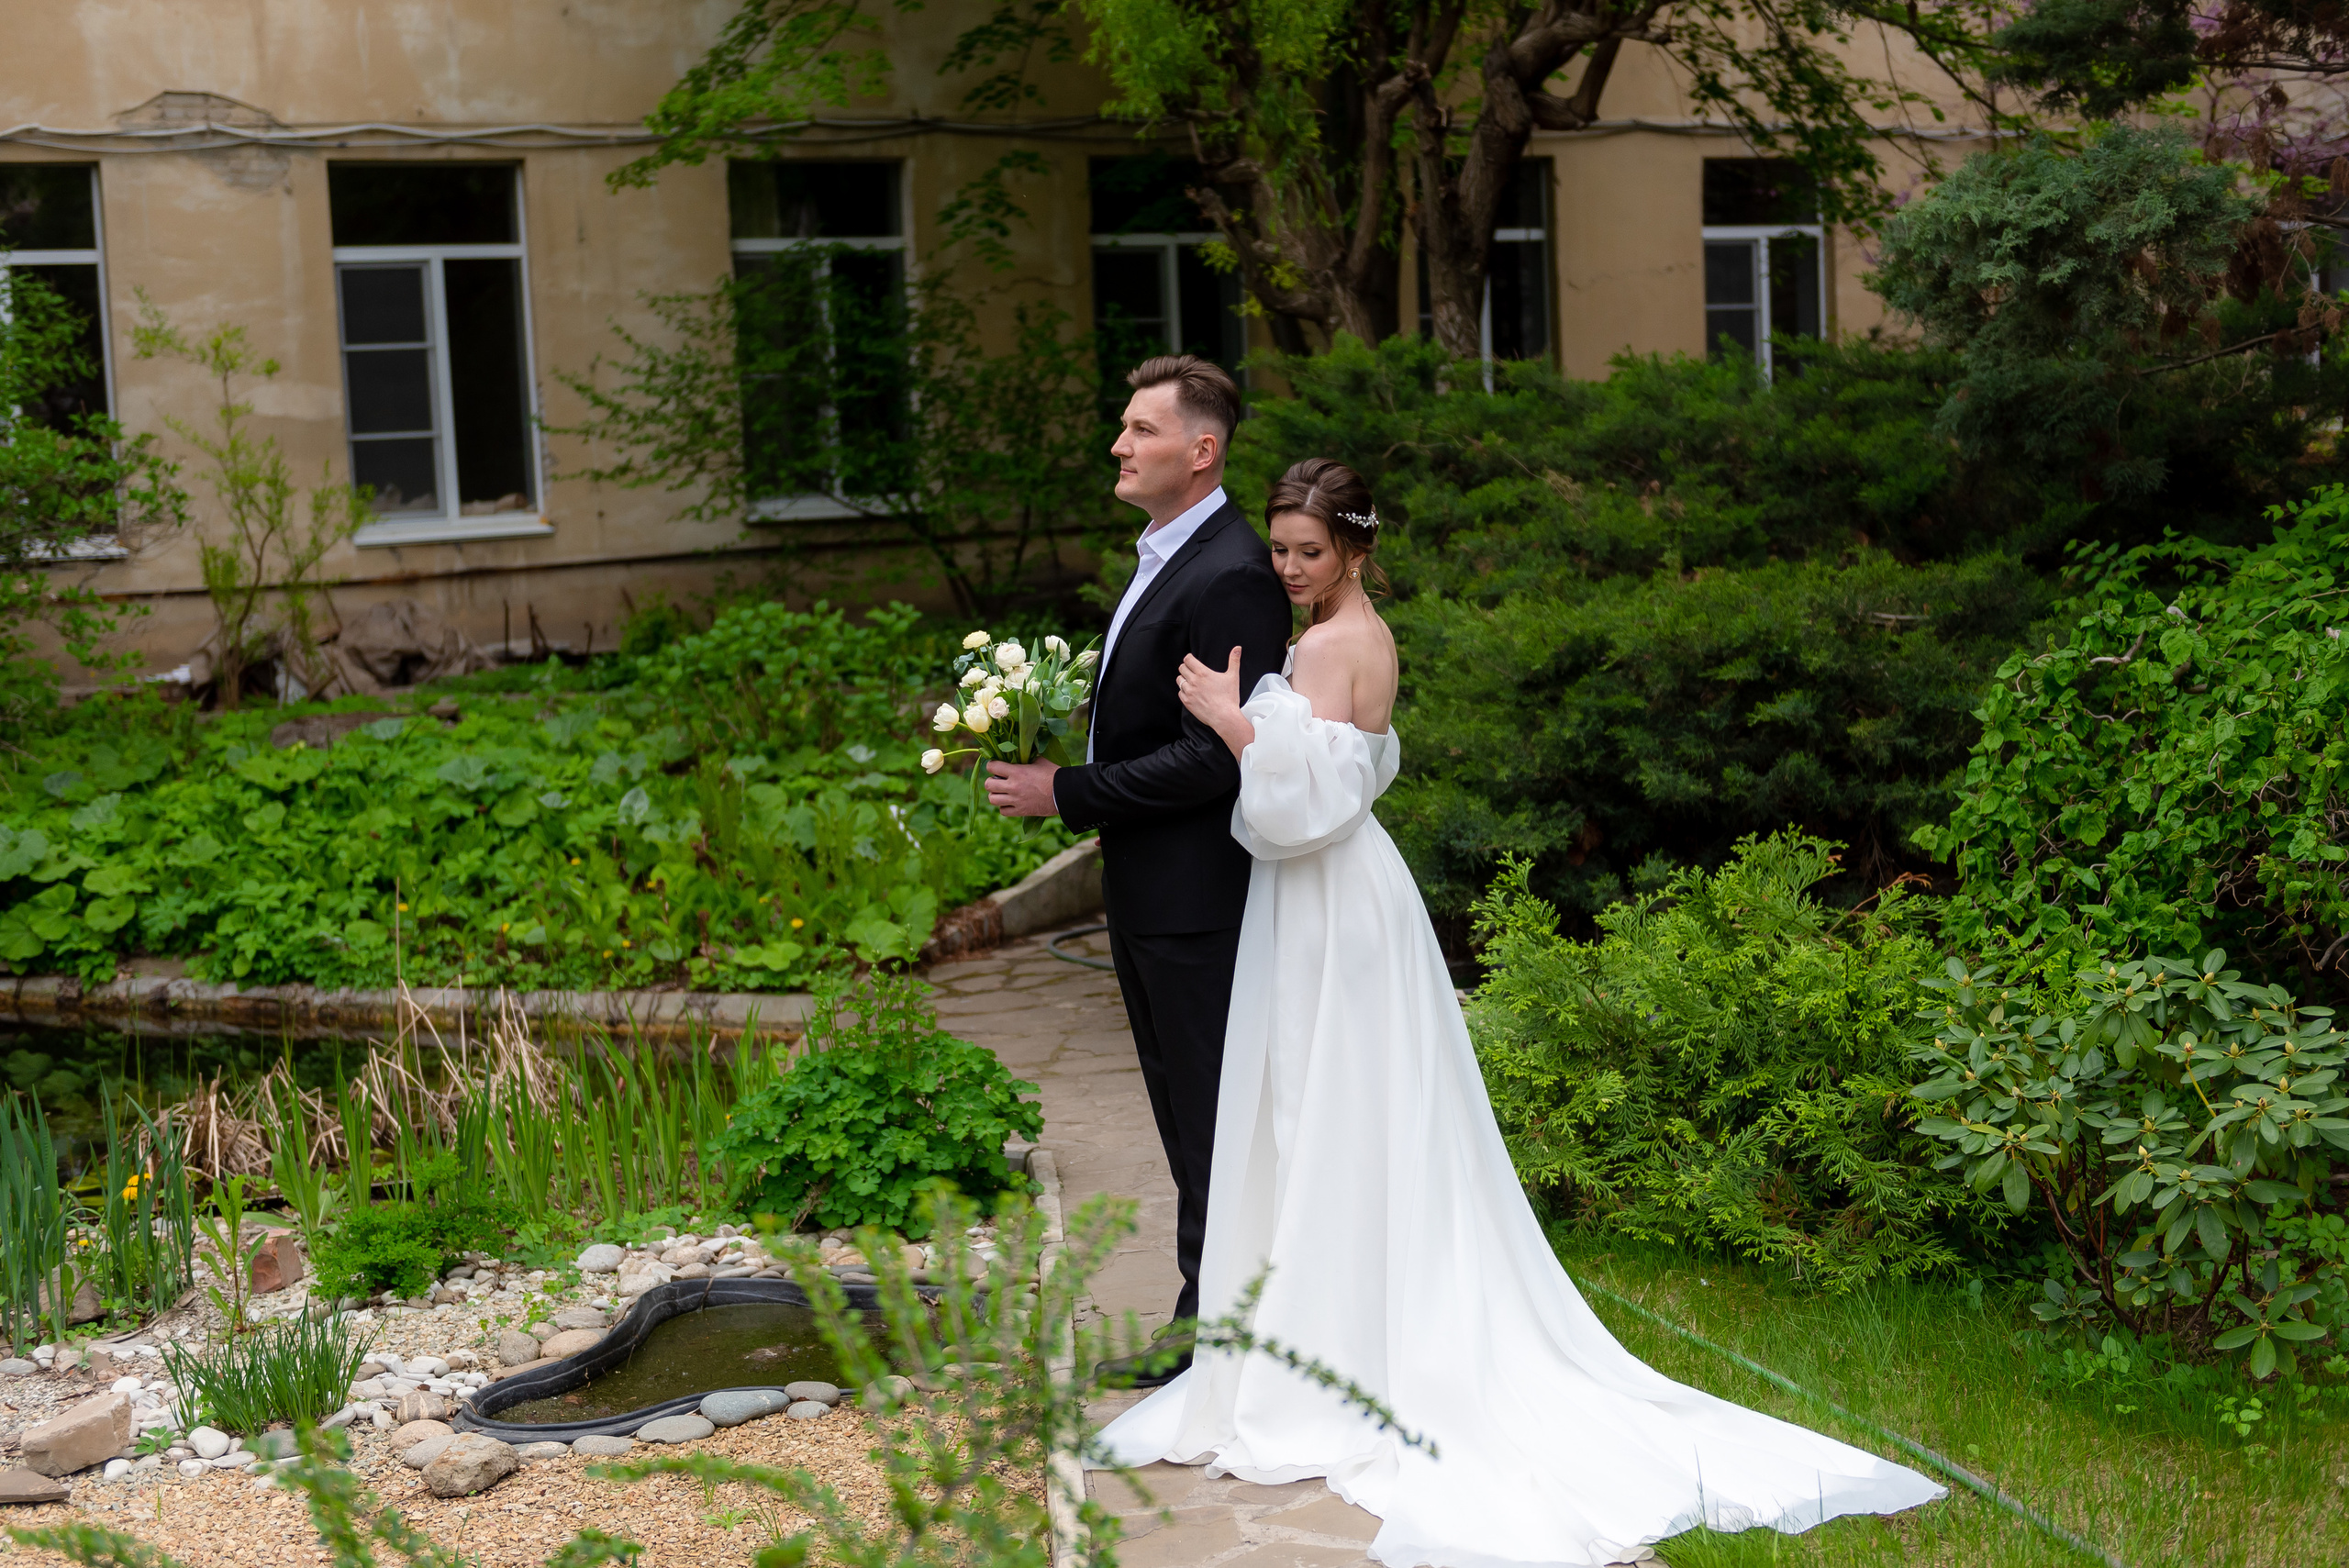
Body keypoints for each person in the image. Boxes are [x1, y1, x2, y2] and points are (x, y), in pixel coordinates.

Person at [1092, 457, 1946, 1567]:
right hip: (1310, 907)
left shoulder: (1349, 642)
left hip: (1334, 905)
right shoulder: (1321, 639)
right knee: (1307, 1116)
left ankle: (1345, 1345)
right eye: (1281, 551)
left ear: (1355, 548)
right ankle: (1306, 1328)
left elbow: (1316, 805)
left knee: (1335, 1109)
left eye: (1308, 551)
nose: (1287, 569)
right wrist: (1251, 724)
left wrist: (1235, 726)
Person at [985, 355, 1290, 1380]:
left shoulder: (1232, 571)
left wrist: (1066, 791)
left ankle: (1216, 1329)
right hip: (1153, 889)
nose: (1118, 445)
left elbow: (1218, 753)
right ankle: (1214, 1313)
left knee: (1209, 1113)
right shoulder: (1165, 554)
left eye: (1140, 430)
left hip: (1200, 896)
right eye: (1122, 426)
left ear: (1200, 452)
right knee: (1180, 1108)